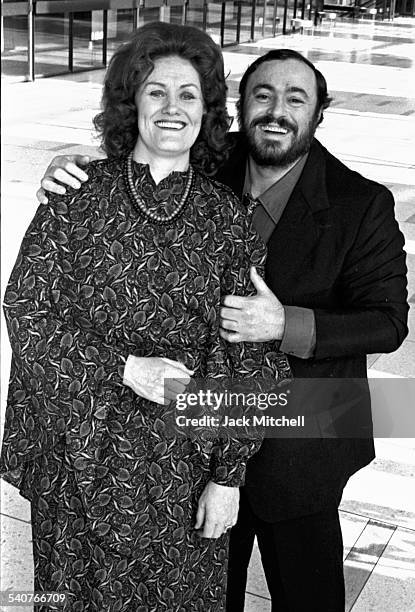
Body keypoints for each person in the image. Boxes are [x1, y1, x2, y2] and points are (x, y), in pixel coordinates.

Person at [36, 48, 408, 611]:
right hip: (195, 440)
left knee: (309, 596)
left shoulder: (364, 204)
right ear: (238, 108)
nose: (276, 111)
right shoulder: (211, 165)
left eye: (295, 98)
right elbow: (146, 156)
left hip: (302, 438)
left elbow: (387, 322)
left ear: (319, 113)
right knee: (207, 594)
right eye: (262, 96)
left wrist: (286, 324)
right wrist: (68, 167)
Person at [0, 26, 292, 612]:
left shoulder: (228, 220)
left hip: (180, 470)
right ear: (130, 103)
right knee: (64, 600)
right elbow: (26, 313)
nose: (171, 108)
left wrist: (229, 475)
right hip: (77, 460)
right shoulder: (75, 197)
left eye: (188, 94)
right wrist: (124, 368)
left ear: (207, 112)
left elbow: (253, 357)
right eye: (155, 92)